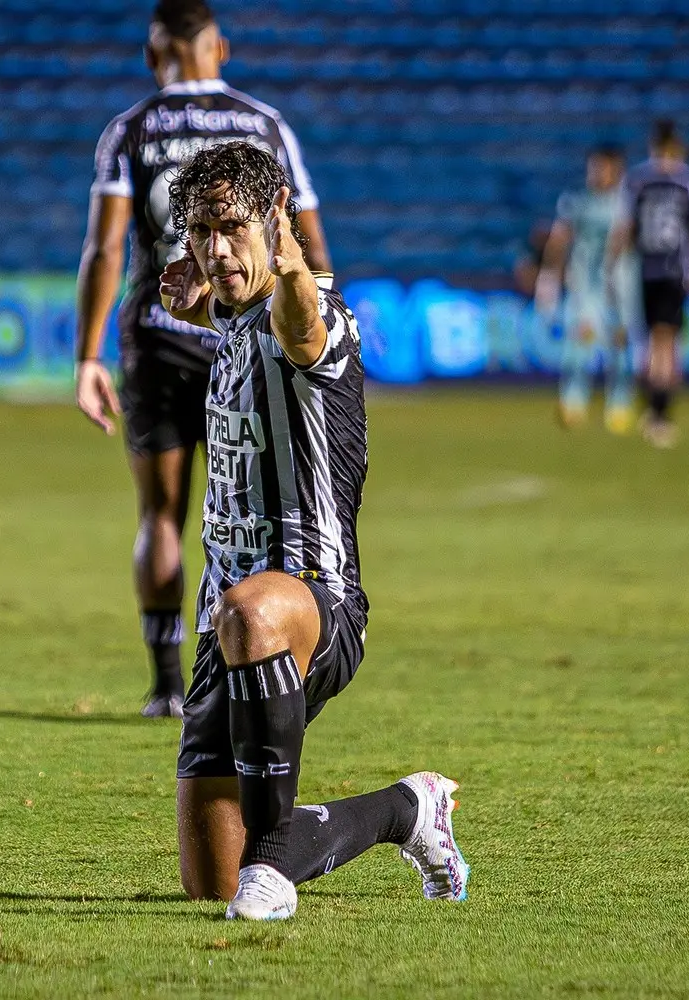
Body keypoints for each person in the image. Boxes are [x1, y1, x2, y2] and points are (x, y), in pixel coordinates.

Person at [159, 141, 468, 921]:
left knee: (253, 609)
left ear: (274, 220)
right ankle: (408, 809)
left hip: (314, 604)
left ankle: (273, 874)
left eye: (233, 226)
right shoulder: (231, 315)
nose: (217, 248)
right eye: (201, 231)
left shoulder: (316, 314)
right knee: (209, 877)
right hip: (225, 625)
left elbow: (300, 328)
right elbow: (227, 299)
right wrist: (197, 294)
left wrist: (293, 268)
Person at [73, 0, 332, 720]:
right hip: (248, 345)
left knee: (161, 513)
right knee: (257, 511)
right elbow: (309, 242)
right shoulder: (265, 125)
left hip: (158, 337)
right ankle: (263, 666)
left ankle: (166, 687)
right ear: (220, 47)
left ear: (153, 55)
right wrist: (324, 340)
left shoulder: (131, 128)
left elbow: (104, 248)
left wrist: (88, 355)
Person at [609, 119, 689, 448]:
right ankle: (659, 414)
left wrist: (613, 265)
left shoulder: (638, 179)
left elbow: (624, 228)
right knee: (665, 343)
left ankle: (654, 410)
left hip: (646, 271)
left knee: (654, 342)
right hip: (671, 271)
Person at [534, 144, 639, 434]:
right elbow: (560, 238)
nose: (596, 173)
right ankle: (573, 401)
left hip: (620, 282)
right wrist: (550, 275)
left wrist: (613, 269)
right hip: (584, 283)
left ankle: (619, 403)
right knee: (580, 339)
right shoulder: (575, 199)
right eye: (594, 167)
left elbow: (625, 238)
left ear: (617, 170)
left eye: (602, 168)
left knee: (619, 341)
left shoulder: (625, 201)